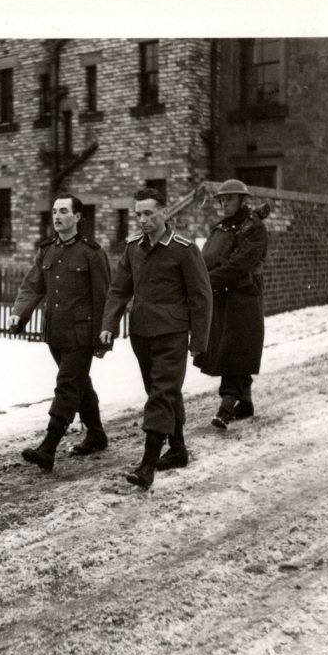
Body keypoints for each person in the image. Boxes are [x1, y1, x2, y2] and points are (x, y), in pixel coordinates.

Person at [100, 187, 213, 490]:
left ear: (165, 212)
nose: (142, 220)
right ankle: (177, 449)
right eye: (138, 214)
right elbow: (119, 289)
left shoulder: (183, 248)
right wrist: (109, 323)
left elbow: (201, 296)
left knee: (160, 395)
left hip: (172, 335)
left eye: (149, 213)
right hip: (141, 334)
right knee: (162, 391)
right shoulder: (133, 247)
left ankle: (148, 464)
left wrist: (199, 341)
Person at [8, 193, 112, 471]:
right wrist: (19, 313)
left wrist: (105, 333)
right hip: (55, 333)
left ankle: (49, 447)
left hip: (82, 334)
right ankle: (96, 433)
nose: (57, 216)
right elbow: (32, 286)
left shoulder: (92, 253)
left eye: (64, 211)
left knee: (67, 385)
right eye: (55, 211)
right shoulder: (48, 251)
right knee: (79, 383)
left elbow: (104, 296)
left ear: (78, 217)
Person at [199, 179, 269, 430]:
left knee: (234, 351)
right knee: (233, 350)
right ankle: (246, 403)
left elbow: (241, 264)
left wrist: (208, 280)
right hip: (223, 297)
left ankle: (226, 406)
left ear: (242, 200)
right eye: (221, 199)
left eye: (230, 199)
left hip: (243, 298)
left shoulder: (254, 228)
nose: (224, 203)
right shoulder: (222, 227)